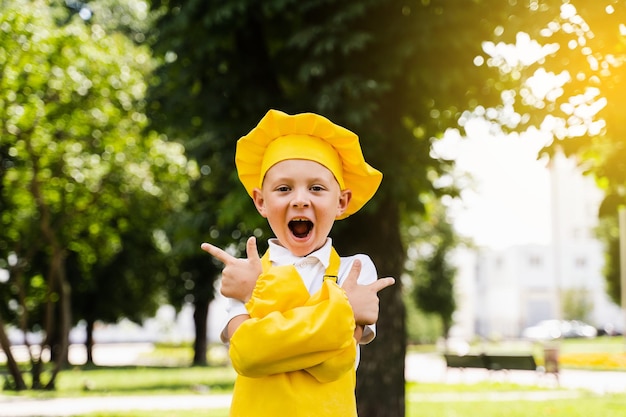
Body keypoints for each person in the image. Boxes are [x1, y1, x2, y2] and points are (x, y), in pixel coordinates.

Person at [201, 109, 395, 417]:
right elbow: (248, 357)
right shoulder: (245, 274)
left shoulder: (355, 270)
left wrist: (258, 296)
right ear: (260, 201)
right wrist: (339, 313)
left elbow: (336, 364)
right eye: (284, 188)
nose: (300, 199)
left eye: (316, 188)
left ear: (341, 201)